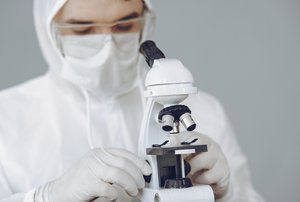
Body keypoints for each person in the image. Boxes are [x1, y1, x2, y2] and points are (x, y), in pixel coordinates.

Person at [0, 0, 264, 201]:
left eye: (125, 25)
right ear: (48, 29)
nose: (108, 46)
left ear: (146, 22)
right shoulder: (7, 117)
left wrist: (228, 195)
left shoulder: (208, 112)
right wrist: (46, 197)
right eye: (82, 29)